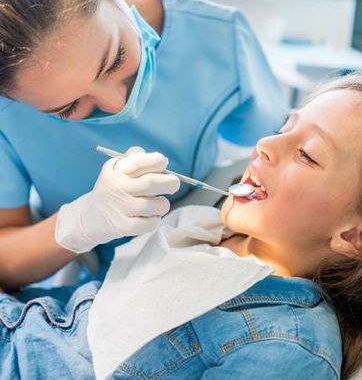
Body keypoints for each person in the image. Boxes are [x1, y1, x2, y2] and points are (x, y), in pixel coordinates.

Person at [1, 73, 362, 380]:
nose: (266, 144)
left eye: (307, 154)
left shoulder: (287, 347)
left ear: (353, 236)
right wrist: (86, 219)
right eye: (283, 126)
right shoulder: (204, 233)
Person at [0, 0, 286, 290]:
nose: (117, 104)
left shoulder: (220, 38)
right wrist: (80, 224)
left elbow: (276, 162)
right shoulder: (7, 114)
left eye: (116, 59)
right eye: (67, 108)